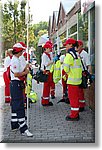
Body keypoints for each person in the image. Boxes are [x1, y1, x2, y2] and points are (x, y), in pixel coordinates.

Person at [10, 43, 33, 137]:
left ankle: (14, 124)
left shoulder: (17, 59)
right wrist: (25, 72)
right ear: (18, 51)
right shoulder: (15, 60)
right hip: (16, 84)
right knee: (19, 105)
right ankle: (23, 128)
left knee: (15, 104)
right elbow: (16, 74)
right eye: (22, 50)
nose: (23, 52)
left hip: (16, 84)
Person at [63, 38, 82, 121]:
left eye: (66, 45)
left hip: (72, 80)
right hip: (77, 80)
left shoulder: (69, 55)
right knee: (76, 98)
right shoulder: (77, 54)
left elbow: (66, 69)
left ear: (70, 45)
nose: (66, 47)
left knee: (73, 99)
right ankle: (76, 113)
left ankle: (74, 115)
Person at [76, 40, 92, 112]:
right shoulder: (76, 54)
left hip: (83, 74)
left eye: (78, 45)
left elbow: (89, 65)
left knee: (81, 90)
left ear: (81, 45)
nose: (76, 47)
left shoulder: (85, 54)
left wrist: (89, 75)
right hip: (77, 74)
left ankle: (81, 105)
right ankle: (79, 104)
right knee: (78, 90)